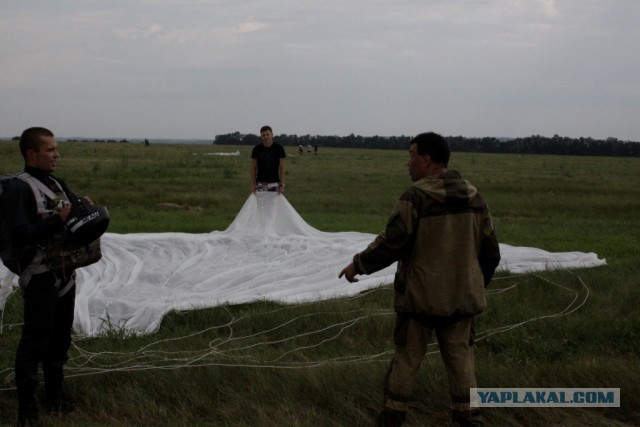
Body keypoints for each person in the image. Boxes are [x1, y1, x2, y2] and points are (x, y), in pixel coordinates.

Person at [339, 132, 501, 427]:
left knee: (406, 361)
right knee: (462, 361)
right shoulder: (475, 197)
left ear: (426, 160)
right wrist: (472, 285)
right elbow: (491, 253)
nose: (408, 162)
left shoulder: (414, 198)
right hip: (461, 300)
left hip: (419, 301)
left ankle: (392, 418)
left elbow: (392, 243)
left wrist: (357, 265)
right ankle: (469, 418)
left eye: (411, 155)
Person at [3, 127, 89, 426]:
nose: (56, 154)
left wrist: (82, 207)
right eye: (50, 150)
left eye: (56, 149)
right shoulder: (19, 188)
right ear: (31, 153)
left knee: (59, 339)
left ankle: (55, 398)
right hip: (39, 275)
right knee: (34, 342)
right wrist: (56, 220)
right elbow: (18, 234)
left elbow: (71, 212)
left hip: (65, 273)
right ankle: (26, 410)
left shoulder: (55, 183)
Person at [250, 125, 286, 193]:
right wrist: (252, 185)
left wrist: (282, 185)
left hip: (275, 183)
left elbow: (282, 167)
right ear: (261, 136)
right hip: (260, 183)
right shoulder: (256, 149)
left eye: (267, 134)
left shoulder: (279, 149)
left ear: (272, 135)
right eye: (263, 135)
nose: (266, 137)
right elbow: (253, 167)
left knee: (274, 203)